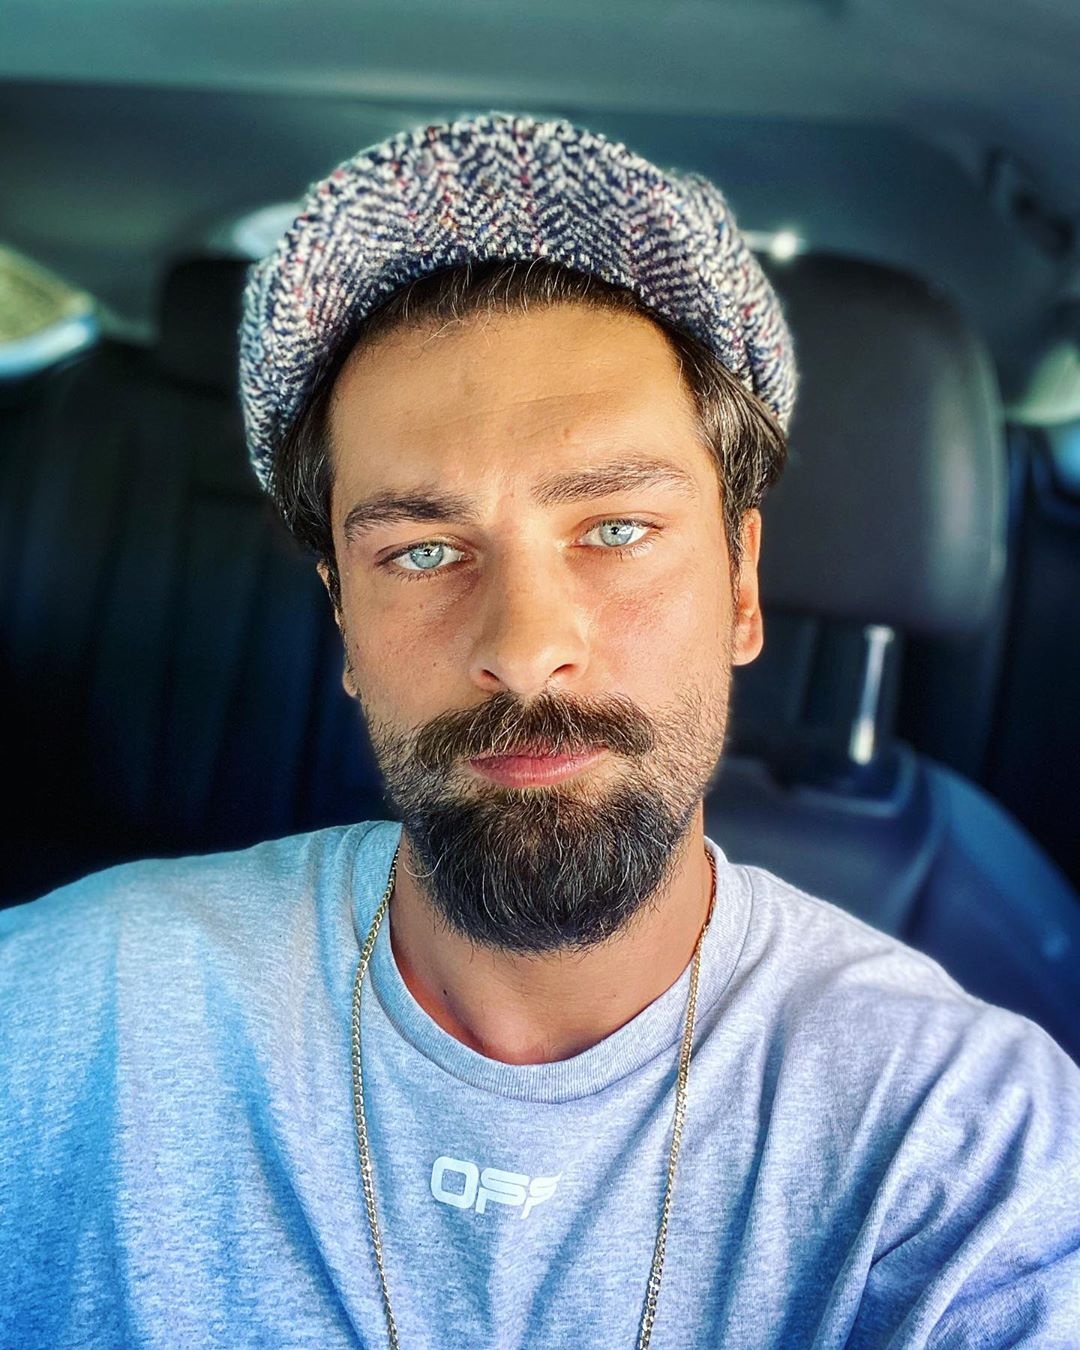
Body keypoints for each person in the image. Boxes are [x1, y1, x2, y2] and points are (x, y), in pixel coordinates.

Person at [1, 111, 1077, 1349]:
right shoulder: (74, 1013)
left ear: (740, 587)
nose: (522, 645)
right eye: (422, 550)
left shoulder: (962, 1147)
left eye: (615, 529)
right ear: (345, 624)